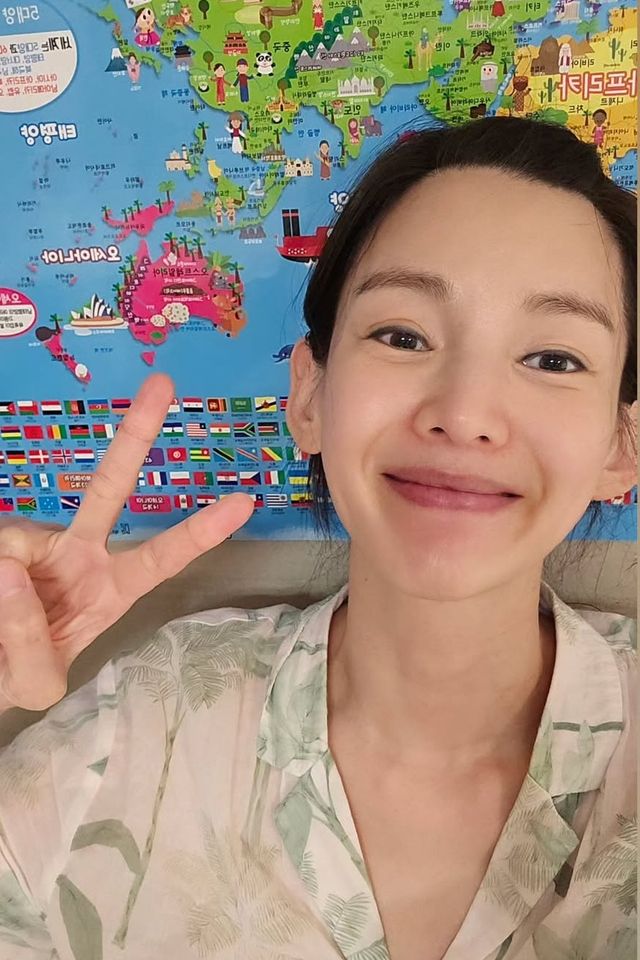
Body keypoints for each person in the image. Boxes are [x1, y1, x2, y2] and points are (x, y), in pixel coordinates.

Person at [0, 117, 637, 960]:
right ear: (309, 396)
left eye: (554, 359)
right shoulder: (153, 719)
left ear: (620, 446)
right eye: (402, 336)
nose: (465, 414)